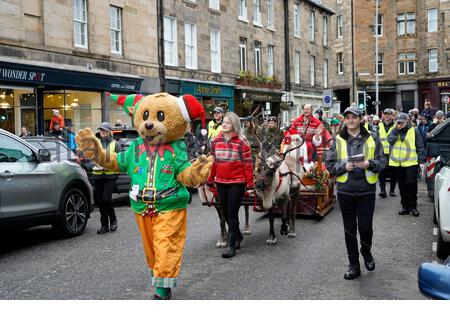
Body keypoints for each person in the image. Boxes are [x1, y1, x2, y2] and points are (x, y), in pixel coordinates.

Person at [326, 106, 386, 280]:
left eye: (354, 117)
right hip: (346, 190)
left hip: (366, 189)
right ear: (344, 120)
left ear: (361, 119)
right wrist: (344, 167)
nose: (351, 120)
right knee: (349, 230)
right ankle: (354, 265)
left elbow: (383, 161)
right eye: (347, 117)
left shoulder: (372, 137)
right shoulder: (337, 140)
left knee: (366, 228)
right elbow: (329, 165)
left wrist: (370, 164)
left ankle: (366, 252)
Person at [207, 112, 254, 259]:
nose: (224, 124)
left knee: (232, 213)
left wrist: (250, 185)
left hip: (237, 182)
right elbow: (214, 162)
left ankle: (231, 245)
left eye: (228, 122)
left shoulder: (242, 142)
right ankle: (238, 235)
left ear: (234, 125)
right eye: (224, 122)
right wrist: (210, 179)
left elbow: (248, 165)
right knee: (225, 212)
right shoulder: (216, 141)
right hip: (220, 181)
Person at [387, 112, 426, 217]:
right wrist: (396, 131)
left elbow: (420, 146)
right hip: (397, 163)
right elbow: (389, 141)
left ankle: (413, 206)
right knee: (402, 185)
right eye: (397, 122)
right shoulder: (394, 130)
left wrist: (421, 161)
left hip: (411, 163)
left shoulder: (414, 130)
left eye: (401, 122)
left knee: (411, 184)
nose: (399, 124)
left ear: (407, 121)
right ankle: (405, 206)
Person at [91, 122, 122, 234]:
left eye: (104, 130)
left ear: (109, 131)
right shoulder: (96, 143)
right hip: (97, 176)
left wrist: (110, 165)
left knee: (106, 198)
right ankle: (104, 225)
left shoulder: (116, 144)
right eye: (101, 130)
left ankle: (113, 220)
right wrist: (92, 165)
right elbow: (90, 159)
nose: (102, 132)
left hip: (110, 176)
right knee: (100, 201)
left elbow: (120, 160)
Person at [377, 108, 397, 198]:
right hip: (382, 152)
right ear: (383, 115)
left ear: (392, 115)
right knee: (381, 172)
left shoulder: (396, 126)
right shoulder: (379, 125)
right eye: (385, 114)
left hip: (393, 152)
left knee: (393, 172)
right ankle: (382, 190)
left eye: (389, 114)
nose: (387, 116)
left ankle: (392, 190)